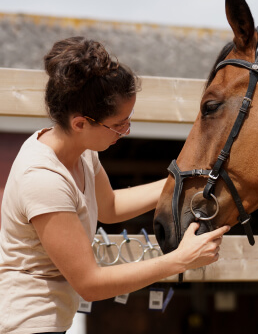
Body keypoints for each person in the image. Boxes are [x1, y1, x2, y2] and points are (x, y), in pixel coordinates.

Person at [0, 37, 230, 334]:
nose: (126, 130)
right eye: (119, 124)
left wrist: (182, 182)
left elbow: (110, 207)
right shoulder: (43, 180)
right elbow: (90, 285)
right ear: (81, 123)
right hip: (27, 324)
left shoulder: (82, 152)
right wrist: (180, 260)